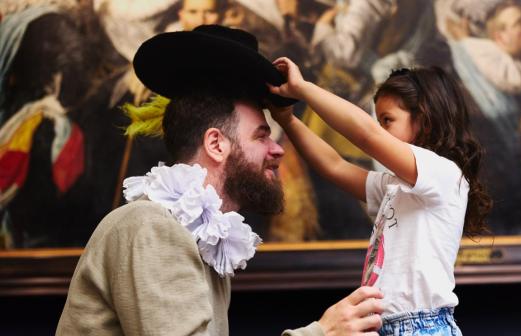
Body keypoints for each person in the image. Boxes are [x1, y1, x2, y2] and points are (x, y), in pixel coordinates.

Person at [56, 25, 384, 335]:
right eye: (261, 136)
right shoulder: (152, 226)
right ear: (216, 144)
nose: (277, 150)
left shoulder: (192, 237)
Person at [268, 57, 493, 335]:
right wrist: (288, 120)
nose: (382, 130)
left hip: (422, 327)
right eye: (379, 121)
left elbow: (367, 135)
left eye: (388, 120)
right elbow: (334, 166)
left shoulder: (444, 174)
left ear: (424, 119)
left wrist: (303, 89)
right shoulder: (394, 186)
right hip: (384, 326)